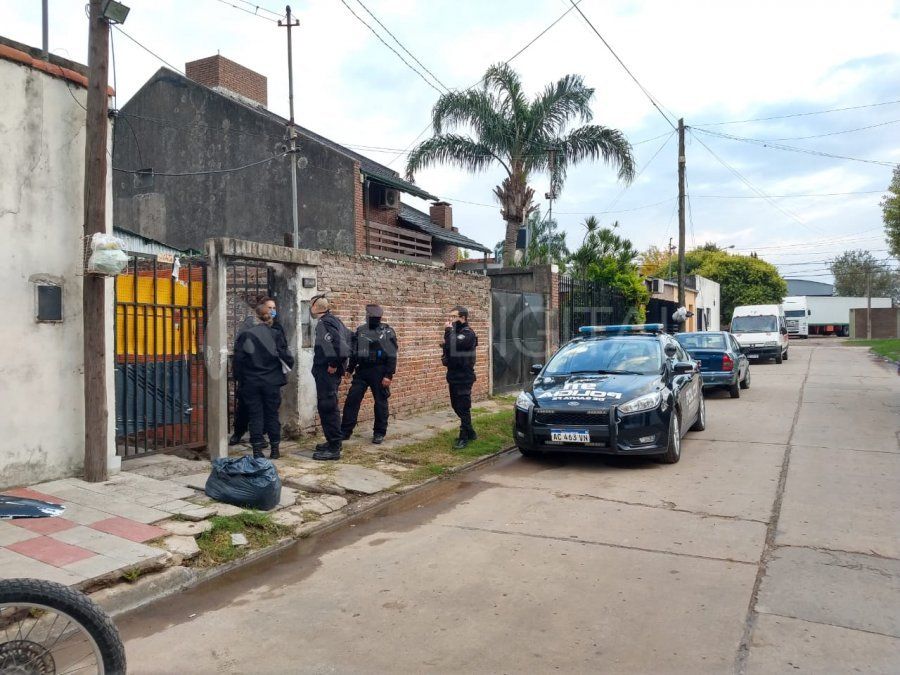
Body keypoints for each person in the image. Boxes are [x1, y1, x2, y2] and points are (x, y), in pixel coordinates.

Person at [233, 300, 294, 459]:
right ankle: (275, 449)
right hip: (271, 381)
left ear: (256, 317)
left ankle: (257, 451)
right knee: (272, 414)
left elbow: (238, 360)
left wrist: (240, 378)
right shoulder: (276, 334)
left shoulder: (247, 335)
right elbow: (287, 357)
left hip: (251, 381)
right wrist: (281, 369)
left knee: (255, 416)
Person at [340, 304, 398, 444]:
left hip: (379, 371)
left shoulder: (387, 332)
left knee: (380, 403)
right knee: (352, 400)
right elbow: (355, 352)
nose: (367, 317)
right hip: (362, 370)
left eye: (369, 315)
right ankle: (345, 431)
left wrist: (388, 375)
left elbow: (392, 355)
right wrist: (349, 369)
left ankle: (379, 432)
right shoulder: (361, 330)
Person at [310, 295, 351, 461]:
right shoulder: (335, 320)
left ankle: (334, 447)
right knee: (329, 406)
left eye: (310, 306)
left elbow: (341, 347)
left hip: (327, 374)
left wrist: (334, 364)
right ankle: (333, 441)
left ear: (315, 307)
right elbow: (349, 338)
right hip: (328, 374)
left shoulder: (324, 323)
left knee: (328, 407)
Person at [442, 305, 478, 449]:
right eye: (450, 317)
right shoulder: (454, 333)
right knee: (455, 406)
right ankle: (470, 431)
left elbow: (453, 344)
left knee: (463, 407)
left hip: (464, 375)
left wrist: (448, 331)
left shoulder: (468, 333)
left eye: (454, 317)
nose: (451, 320)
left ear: (463, 318)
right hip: (453, 375)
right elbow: (448, 346)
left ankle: (463, 437)